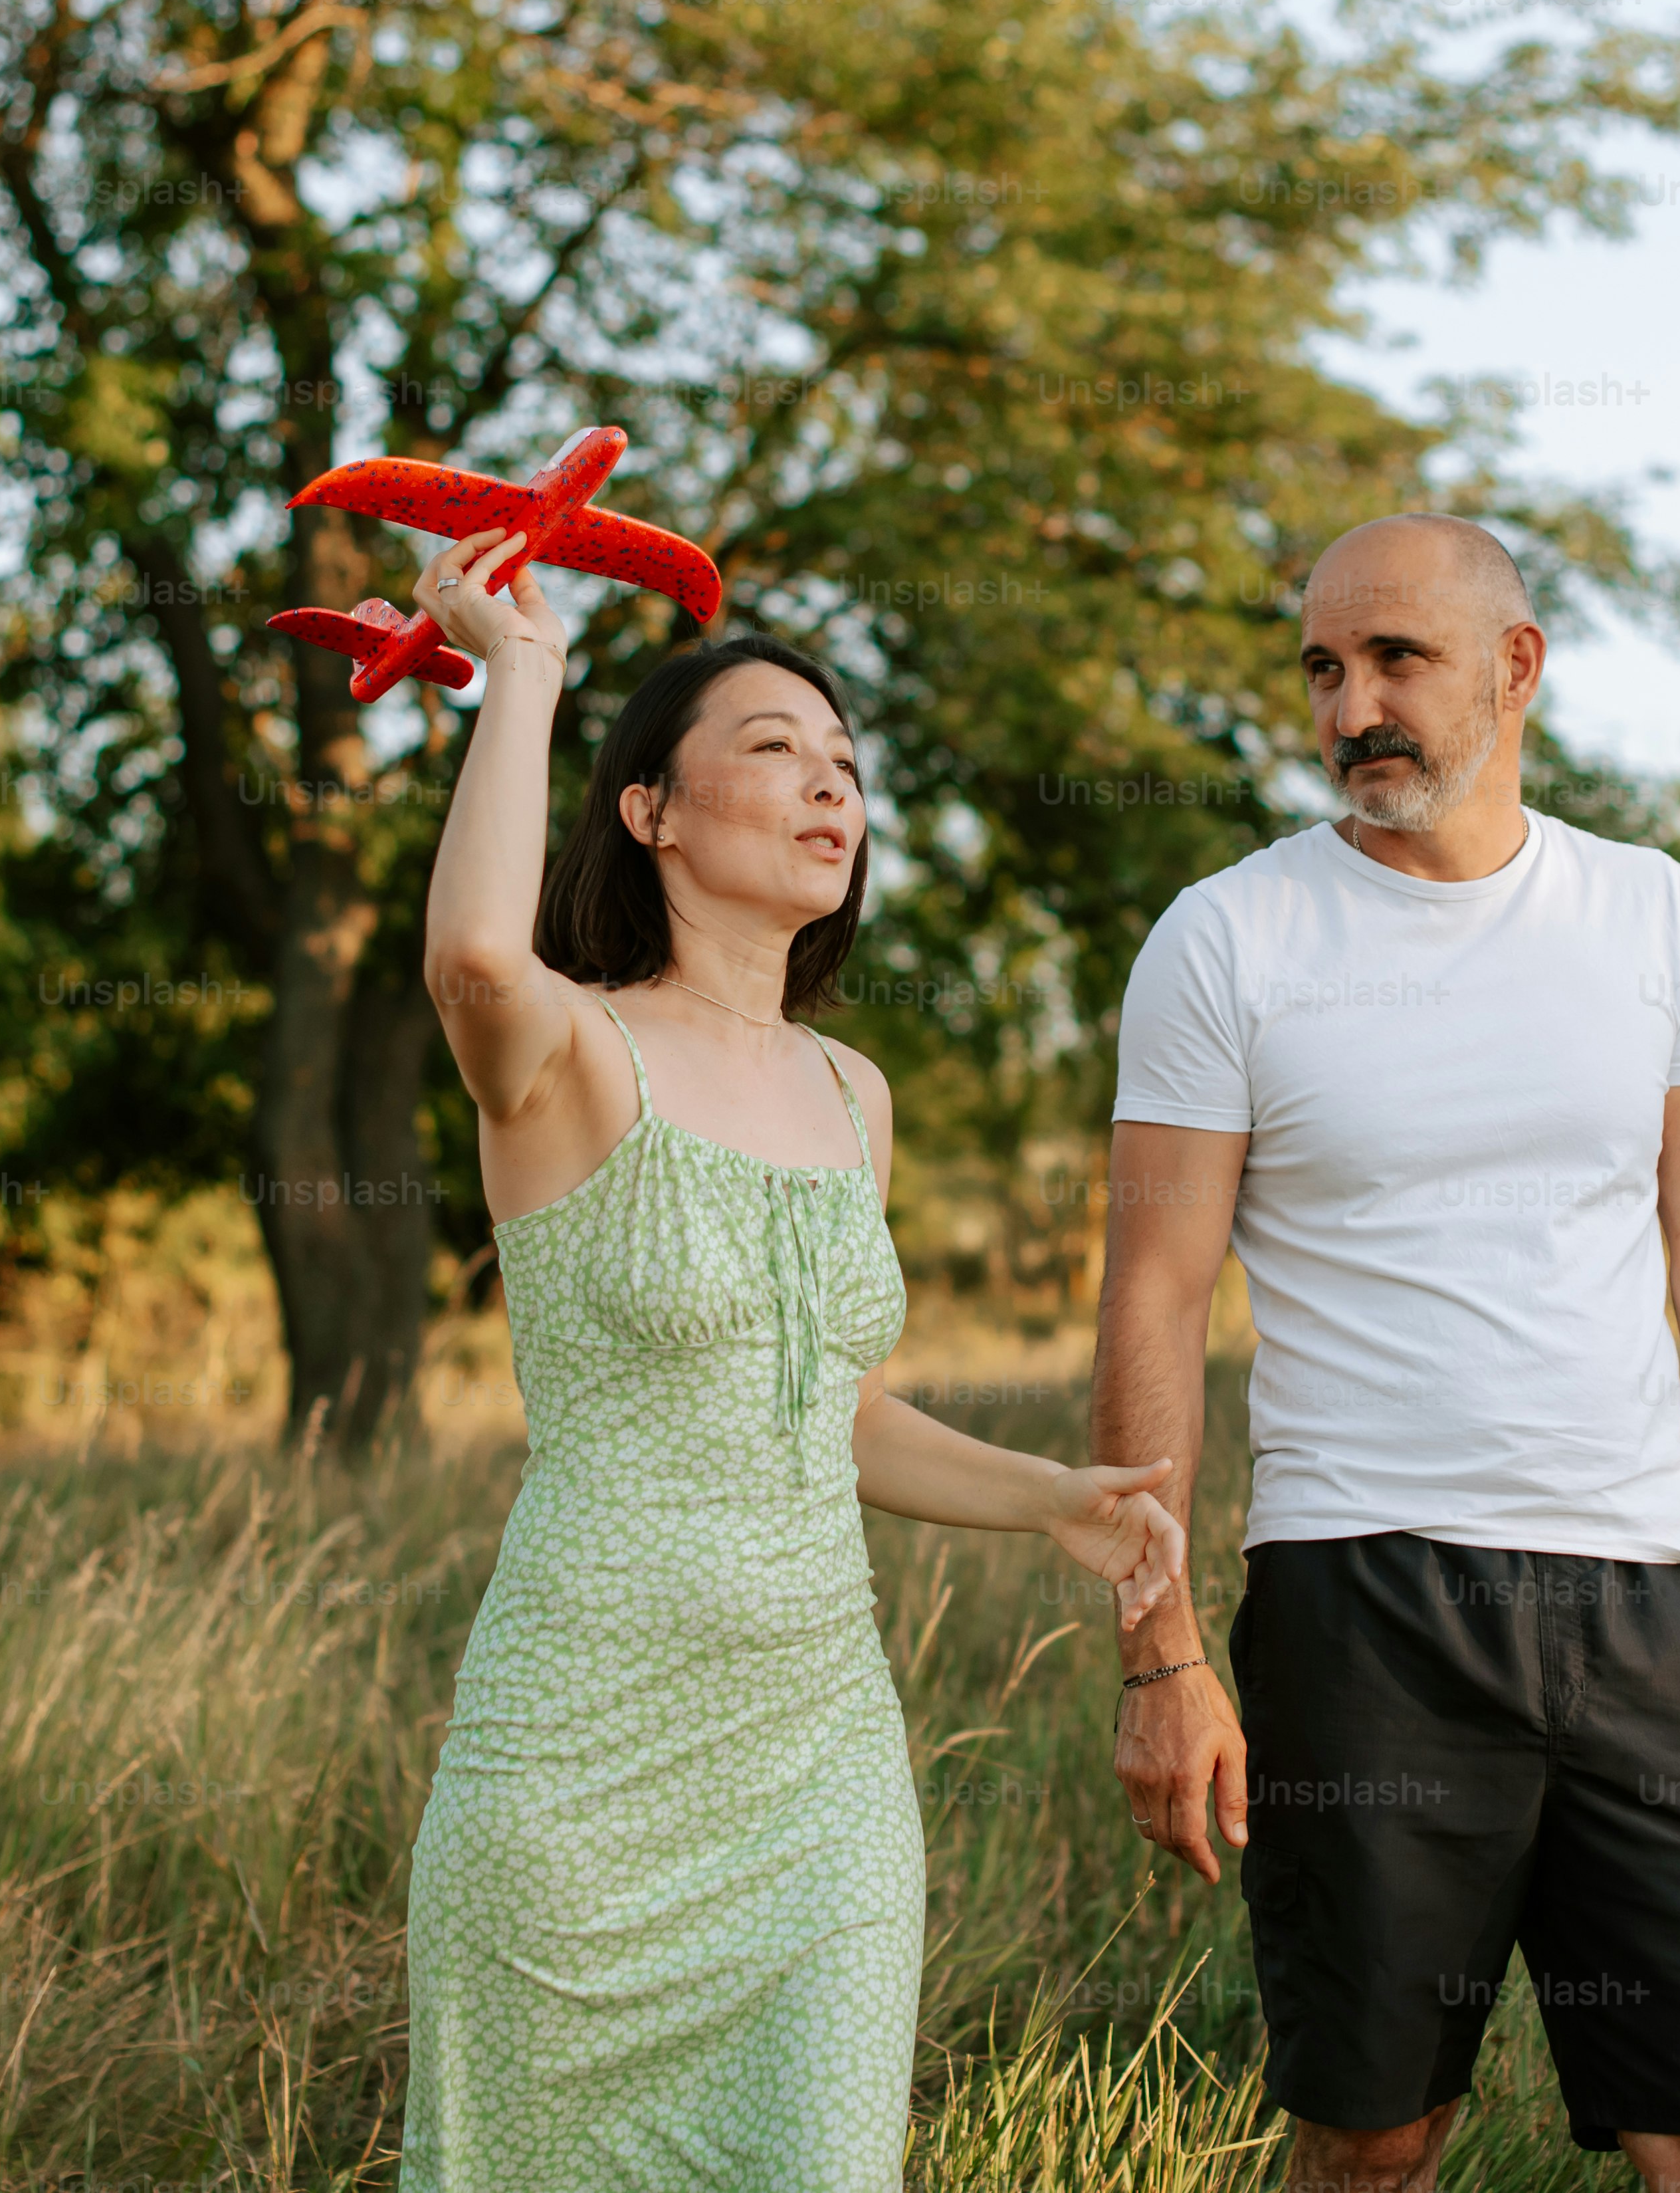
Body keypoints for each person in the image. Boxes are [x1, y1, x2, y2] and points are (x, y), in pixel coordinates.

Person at [1093, 513, 1680, 2193]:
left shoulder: (1650, 913)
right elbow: (1150, 1298)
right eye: (1321, 666)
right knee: (1372, 2141)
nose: (1349, 705)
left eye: (1396, 659)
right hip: (1358, 1590)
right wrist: (1156, 1649)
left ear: (1516, 668)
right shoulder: (1224, 940)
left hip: (1645, 1591)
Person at [396, 524, 1187, 2190]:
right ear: (651, 811)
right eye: (774, 751)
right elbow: (471, 954)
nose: (832, 789)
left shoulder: (853, 1097)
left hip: (815, 1779)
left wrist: (1055, 1496)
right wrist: (520, 670)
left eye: (846, 764)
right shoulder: (567, 1050)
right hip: (575, 1783)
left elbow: (828, 1408)